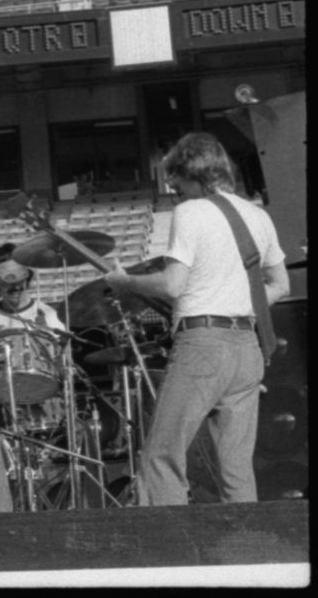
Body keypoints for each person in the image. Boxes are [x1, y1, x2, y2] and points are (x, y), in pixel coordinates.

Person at [105, 132, 289, 506]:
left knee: (161, 456)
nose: (176, 193)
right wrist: (237, 301)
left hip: (203, 345)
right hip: (247, 348)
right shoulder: (258, 216)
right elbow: (281, 285)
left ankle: (169, 540)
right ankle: (246, 539)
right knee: (236, 468)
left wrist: (125, 282)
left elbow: (173, 285)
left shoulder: (192, 212)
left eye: (178, 185)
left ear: (193, 174)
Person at [0, 244, 68, 341]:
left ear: (27, 278)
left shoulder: (50, 316)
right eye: (7, 283)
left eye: (20, 280)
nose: (15, 287)